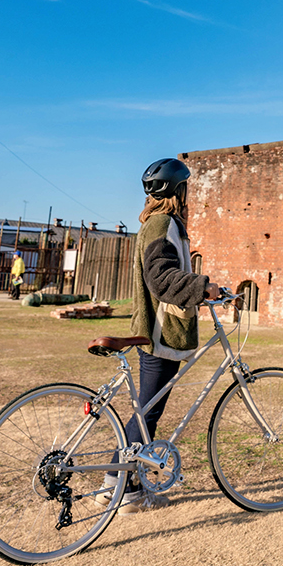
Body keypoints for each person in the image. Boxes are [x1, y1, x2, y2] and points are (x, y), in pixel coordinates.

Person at [102, 157, 219, 514]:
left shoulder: (161, 224)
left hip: (157, 329)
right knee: (145, 416)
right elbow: (161, 278)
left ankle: (121, 484)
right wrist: (204, 287)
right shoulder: (162, 223)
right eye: (186, 188)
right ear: (177, 190)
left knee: (145, 413)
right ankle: (121, 487)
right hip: (157, 331)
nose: (189, 196)